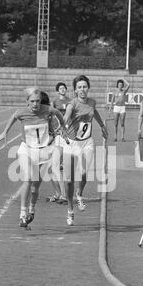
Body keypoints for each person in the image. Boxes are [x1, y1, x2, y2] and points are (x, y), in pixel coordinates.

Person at [0, 87, 67, 228]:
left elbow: (58, 112)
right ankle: (22, 214)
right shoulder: (22, 112)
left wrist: (63, 127)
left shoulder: (47, 110)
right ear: (27, 101)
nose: (35, 104)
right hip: (26, 150)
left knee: (35, 189)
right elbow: (14, 117)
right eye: (32, 101)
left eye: (38, 101)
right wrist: (4, 132)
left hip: (43, 152)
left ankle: (32, 210)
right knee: (27, 179)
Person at [62, 75, 108, 226]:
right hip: (72, 143)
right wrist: (63, 126)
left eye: (84, 86)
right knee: (69, 180)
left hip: (87, 142)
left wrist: (102, 126)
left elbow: (94, 112)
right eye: (79, 87)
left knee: (83, 173)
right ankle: (70, 209)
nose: (82, 89)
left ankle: (79, 194)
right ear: (75, 90)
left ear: (88, 87)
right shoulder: (72, 104)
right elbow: (66, 117)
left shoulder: (92, 102)